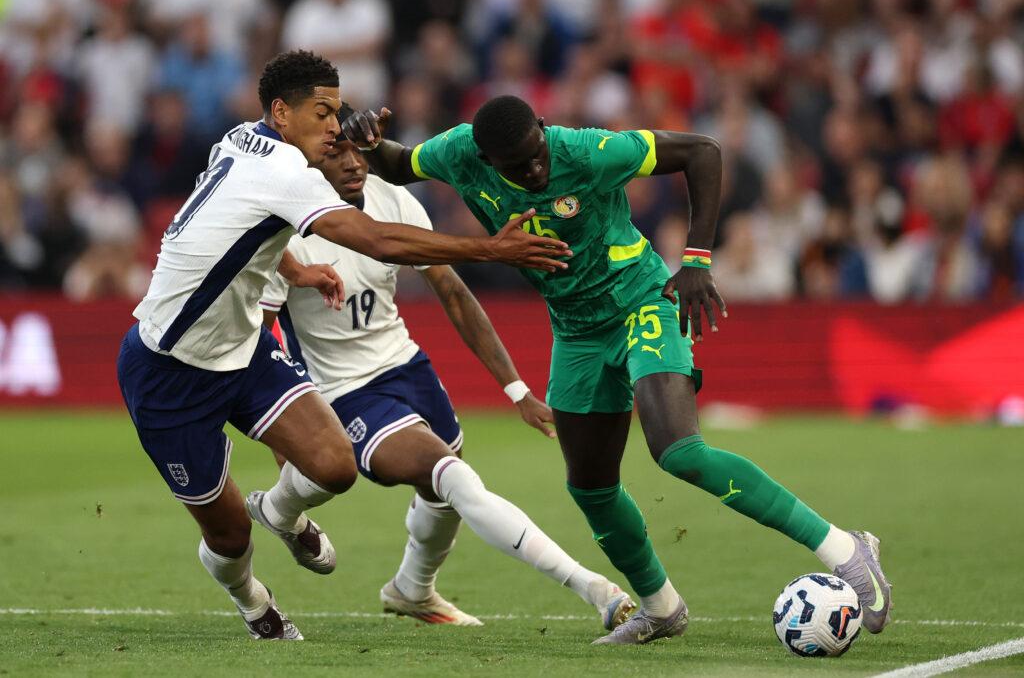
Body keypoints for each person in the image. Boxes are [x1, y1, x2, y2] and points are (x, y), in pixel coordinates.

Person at [340, 95, 893, 645]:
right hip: (576, 331)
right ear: (484, 160)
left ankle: (843, 548)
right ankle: (660, 608)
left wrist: (697, 259)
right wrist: (365, 133)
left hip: (641, 301)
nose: (536, 170)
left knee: (679, 451)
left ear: (542, 128)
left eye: (538, 153)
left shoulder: (589, 151)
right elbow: (396, 163)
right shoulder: (459, 151)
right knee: (591, 486)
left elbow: (703, 151)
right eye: (518, 167)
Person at [116, 54, 571, 641]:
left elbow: (231, 223)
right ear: (281, 113)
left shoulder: (237, 140)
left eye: (337, 110)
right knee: (229, 537)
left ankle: (282, 513)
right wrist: (492, 251)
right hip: (167, 371)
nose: (335, 125)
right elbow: (376, 240)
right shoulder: (287, 172)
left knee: (335, 466)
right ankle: (253, 600)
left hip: (243, 350)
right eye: (322, 112)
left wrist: (294, 269)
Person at [254, 129, 636, 630]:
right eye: (336, 152)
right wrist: (280, 431)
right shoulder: (289, 232)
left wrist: (517, 389)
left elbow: (453, 292)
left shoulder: (394, 200)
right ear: (310, 164)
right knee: (453, 478)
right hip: (343, 392)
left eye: (357, 149)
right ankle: (594, 589)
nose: (353, 162)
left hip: (406, 365)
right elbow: (261, 335)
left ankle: (412, 589)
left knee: (442, 488)